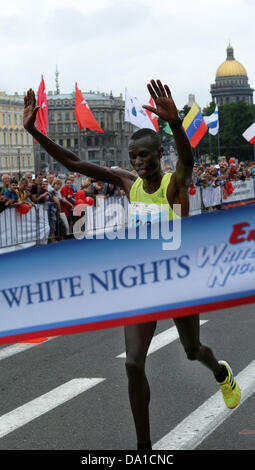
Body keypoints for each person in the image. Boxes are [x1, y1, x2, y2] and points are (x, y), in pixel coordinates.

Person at [23, 80, 240, 450]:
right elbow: (75, 162)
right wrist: (33, 131)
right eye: (133, 157)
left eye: (144, 156)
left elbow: (187, 161)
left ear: (158, 154)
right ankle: (144, 449)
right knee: (133, 363)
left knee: (192, 350)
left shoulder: (175, 186)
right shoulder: (128, 183)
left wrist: (174, 124)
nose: (137, 163)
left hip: (178, 281)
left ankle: (220, 373)